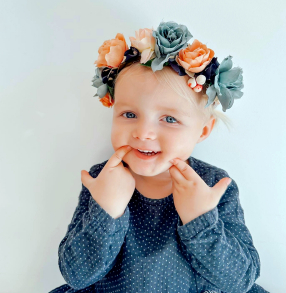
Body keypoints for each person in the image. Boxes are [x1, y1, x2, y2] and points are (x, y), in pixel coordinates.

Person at [49, 21, 269, 293]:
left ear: (202, 130)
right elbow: (76, 276)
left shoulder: (214, 185)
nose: (144, 133)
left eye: (169, 119)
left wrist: (200, 218)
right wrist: (107, 210)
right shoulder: (102, 179)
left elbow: (240, 282)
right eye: (129, 115)